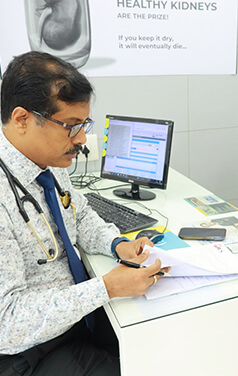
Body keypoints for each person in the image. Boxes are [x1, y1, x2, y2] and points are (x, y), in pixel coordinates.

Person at [0, 51, 168, 375]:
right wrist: (107, 288)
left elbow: (77, 213)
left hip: (76, 316)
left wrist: (116, 244)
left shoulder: (49, 161)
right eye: (71, 126)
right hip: (31, 350)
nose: (81, 140)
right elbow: (8, 323)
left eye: (84, 125)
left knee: (161, 344)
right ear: (22, 119)